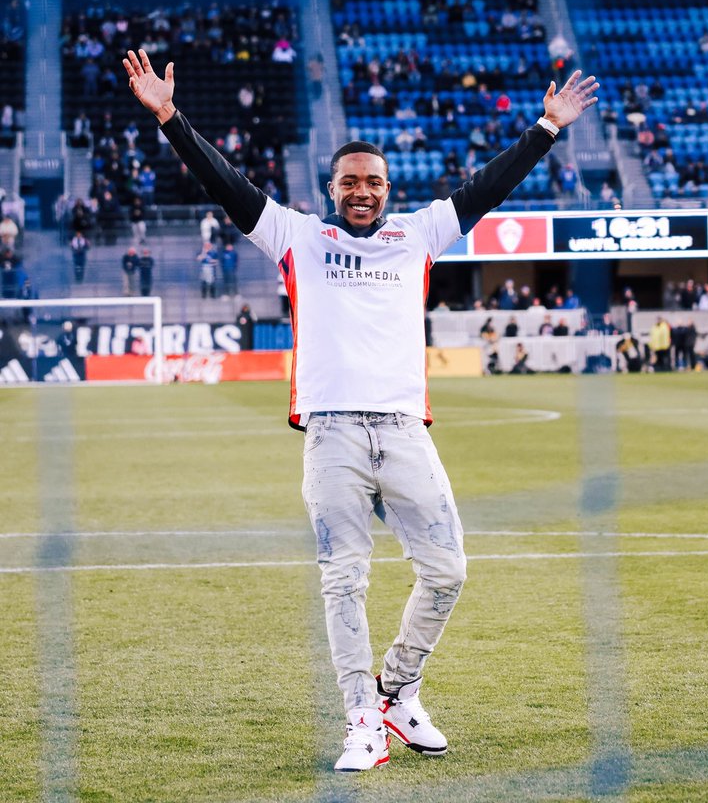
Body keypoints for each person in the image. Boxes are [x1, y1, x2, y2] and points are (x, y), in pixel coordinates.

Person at [122, 47, 598, 774]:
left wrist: (546, 128)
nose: (363, 192)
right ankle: (359, 722)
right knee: (343, 580)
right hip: (334, 435)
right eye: (350, 182)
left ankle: (398, 692)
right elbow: (226, 185)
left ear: (387, 187)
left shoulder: (421, 235)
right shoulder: (298, 237)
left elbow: (487, 188)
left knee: (448, 571)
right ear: (333, 188)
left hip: (405, 431)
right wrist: (169, 117)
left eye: (373, 181)